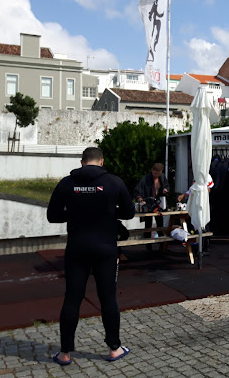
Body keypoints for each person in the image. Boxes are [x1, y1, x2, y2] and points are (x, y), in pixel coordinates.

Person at [47, 147, 134, 365]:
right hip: (105, 249)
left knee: (72, 298)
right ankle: (114, 348)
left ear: (82, 161)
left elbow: (52, 215)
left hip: (77, 249)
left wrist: (77, 212)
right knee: (108, 298)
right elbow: (129, 212)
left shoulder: (67, 183)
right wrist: (107, 212)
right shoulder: (114, 182)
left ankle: (65, 353)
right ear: (102, 162)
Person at [133, 162, 170, 248]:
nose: (157, 175)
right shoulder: (145, 179)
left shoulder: (162, 177)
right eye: (155, 173)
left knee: (160, 224)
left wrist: (165, 190)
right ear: (152, 170)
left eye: (159, 173)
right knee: (148, 225)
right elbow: (137, 191)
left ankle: (162, 246)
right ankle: (148, 247)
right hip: (148, 203)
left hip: (158, 203)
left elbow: (167, 186)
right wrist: (140, 199)